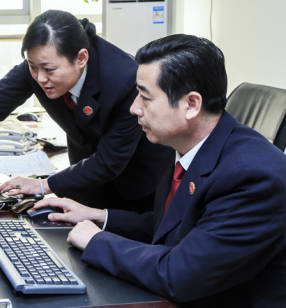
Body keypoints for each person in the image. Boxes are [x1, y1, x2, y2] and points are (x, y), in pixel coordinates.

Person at [33, 34, 286, 306]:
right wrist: (98, 216)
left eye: (145, 97)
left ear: (191, 105)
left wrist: (97, 241)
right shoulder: (186, 145)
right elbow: (172, 226)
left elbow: (181, 275)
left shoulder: (254, 178)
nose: (134, 108)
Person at [0, 10, 172, 211]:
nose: (40, 78)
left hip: (135, 187)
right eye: (32, 67)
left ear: (81, 58)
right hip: (85, 179)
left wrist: (43, 185)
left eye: (49, 70)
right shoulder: (40, 65)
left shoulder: (124, 80)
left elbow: (108, 162)